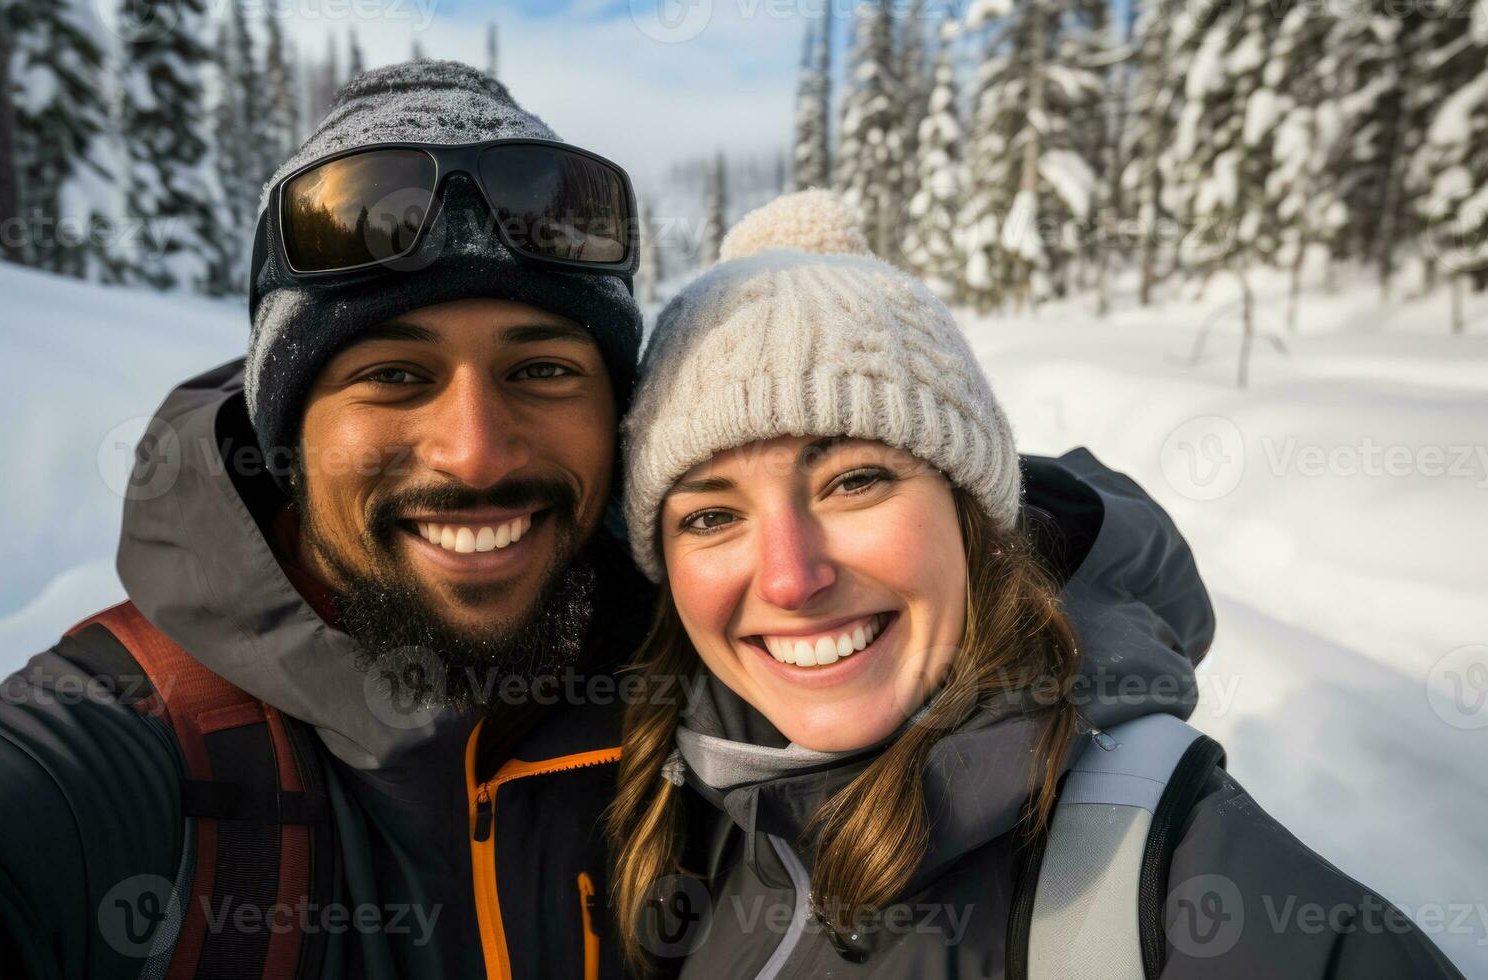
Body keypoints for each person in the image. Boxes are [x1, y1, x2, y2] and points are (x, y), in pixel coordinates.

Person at [0, 61, 654, 979]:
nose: (477, 452)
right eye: (393, 377)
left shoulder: (714, 720)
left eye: (541, 371)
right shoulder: (94, 773)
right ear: (285, 438)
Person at [606, 190, 1465, 978]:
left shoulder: (1178, 885)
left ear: (974, 513)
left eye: (855, 481)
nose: (792, 578)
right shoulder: (674, 808)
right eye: (711, 517)